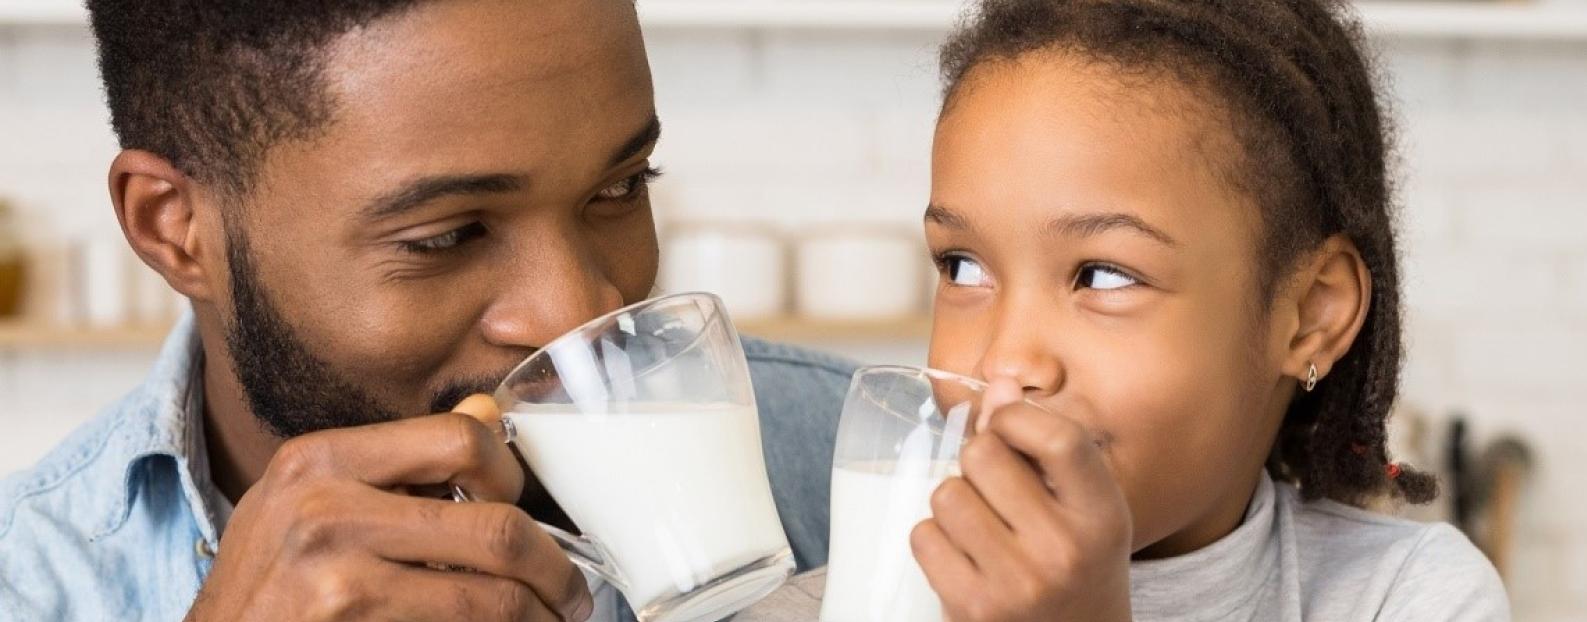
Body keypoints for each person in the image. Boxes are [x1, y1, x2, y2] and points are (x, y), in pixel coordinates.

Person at [0, 1, 854, 620]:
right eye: (447, 237)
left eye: (622, 187)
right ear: (175, 230)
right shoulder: (32, 580)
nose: (576, 311)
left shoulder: (866, 468)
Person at [742, 0, 1510, 620]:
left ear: (1310, 313)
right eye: (963, 266)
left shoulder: (1409, 596)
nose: (1006, 362)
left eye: (1103, 276)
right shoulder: (831, 607)